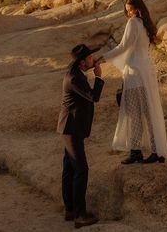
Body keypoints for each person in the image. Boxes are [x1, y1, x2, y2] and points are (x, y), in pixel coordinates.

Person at [98, 0, 167, 164]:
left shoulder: (133, 23)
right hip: (146, 72)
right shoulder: (145, 25)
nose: (129, 13)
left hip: (135, 74)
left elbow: (123, 47)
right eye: (127, 10)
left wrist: (102, 58)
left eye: (131, 9)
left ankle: (138, 151)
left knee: (134, 113)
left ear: (137, 9)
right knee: (148, 111)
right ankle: (155, 150)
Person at [57, 43, 104, 229]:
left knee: (69, 169)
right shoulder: (75, 78)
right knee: (81, 170)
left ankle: (70, 209)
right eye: (90, 58)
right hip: (72, 128)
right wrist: (99, 77)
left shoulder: (75, 73)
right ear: (83, 62)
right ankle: (79, 215)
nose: (93, 60)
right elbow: (93, 96)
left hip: (69, 128)